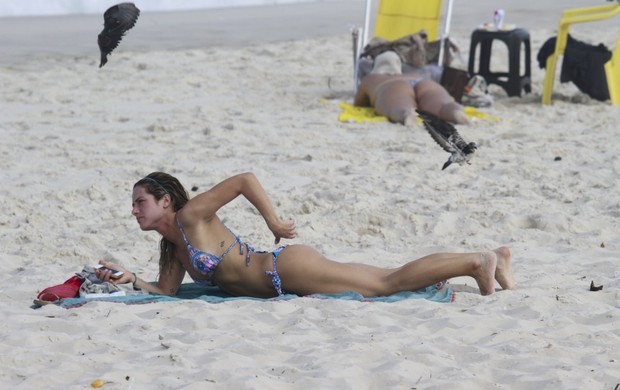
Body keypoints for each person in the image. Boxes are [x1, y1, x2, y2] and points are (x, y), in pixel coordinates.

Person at [97, 171, 515, 297]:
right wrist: (129, 278)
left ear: (166, 200)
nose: (134, 211)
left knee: (385, 285)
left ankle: (477, 262)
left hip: (285, 270)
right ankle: (498, 257)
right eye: (134, 205)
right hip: (284, 282)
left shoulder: (191, 216)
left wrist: (274, 223)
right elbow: (167, 293)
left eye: (141, 202)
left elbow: (244, 180)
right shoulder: (172, 248)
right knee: (386, 277)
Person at [354, 51, 469, 126]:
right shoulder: (412, 73)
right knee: (441, 104)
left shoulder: (371, 78)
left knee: (400, 105)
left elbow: (359, 103)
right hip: (424, 82)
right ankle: (454, 112)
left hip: (393, 85)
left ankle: (406, 113)